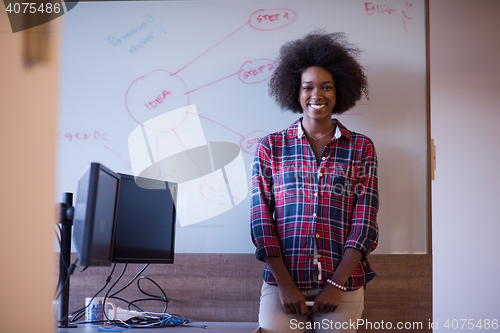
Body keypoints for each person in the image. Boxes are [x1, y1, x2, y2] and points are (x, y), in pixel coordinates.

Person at [250, 31, 379, 333]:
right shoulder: (271, 147)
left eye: (327, 87)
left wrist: (336, 284)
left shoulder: (361, 148)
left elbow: (365, 221)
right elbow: (260, 221)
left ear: (339, 92)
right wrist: (284, 284)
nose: (317, 95)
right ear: (295, 92)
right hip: (284, 283)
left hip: (342, 284)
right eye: (308, 87)